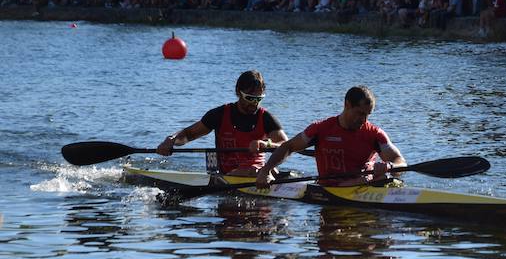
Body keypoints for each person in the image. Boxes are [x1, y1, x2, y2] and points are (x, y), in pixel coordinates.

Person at [256, 86, 405, 188]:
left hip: (363, 187)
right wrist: (266, 170)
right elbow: (288, 147)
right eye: (360, 113)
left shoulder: (374, 134)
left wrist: (389, 166)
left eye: (367, 115)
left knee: (385, 178)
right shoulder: (321, 129)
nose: (364, 120)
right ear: (347, 105)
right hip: (329, 189)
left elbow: (400, 161)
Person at [156, 70, 288, 176]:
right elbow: (188, 134)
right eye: (250, 98)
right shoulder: (218, 115)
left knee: (270, 171)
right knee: (256, 171)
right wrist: (171, 140)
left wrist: (267, 144)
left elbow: (286, 145)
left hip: (259, 173)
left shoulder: (265, 117)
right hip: (228, 175)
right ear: (238, 92)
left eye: (259, 99)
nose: (255, 103)